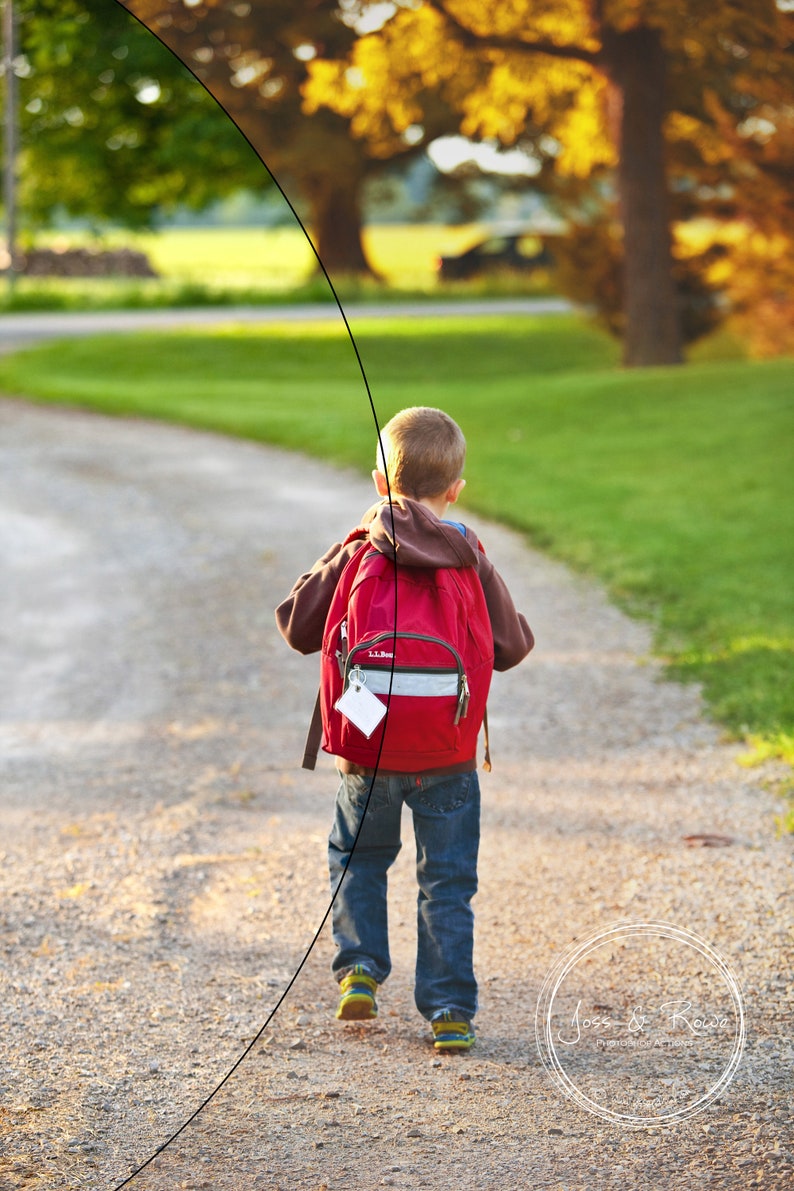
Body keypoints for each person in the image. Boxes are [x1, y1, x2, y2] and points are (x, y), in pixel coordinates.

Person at [275, 407, 533, 1050]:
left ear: (377, 482)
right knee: (446, 881)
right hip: (447, 753)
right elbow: (511, 646)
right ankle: (449, 1012)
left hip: (368, 753)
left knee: (359, 859)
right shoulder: (467, 550)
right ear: (456, 490)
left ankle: (359, 971)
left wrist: (351, 540)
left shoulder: (362, 546)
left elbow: (297, 626)